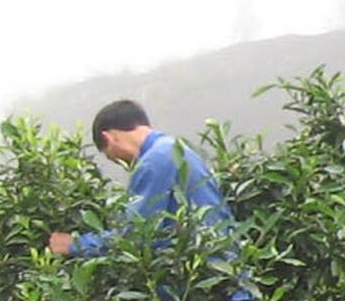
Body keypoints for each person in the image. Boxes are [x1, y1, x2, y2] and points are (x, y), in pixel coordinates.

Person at [48, 100, 241, 264]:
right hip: (226, 268)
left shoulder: (155, 161)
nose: (123, 164)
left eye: (111, 157)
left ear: (110, 137)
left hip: (206, 280)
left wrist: (75, 245)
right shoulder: (176, 148)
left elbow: (136, 235)